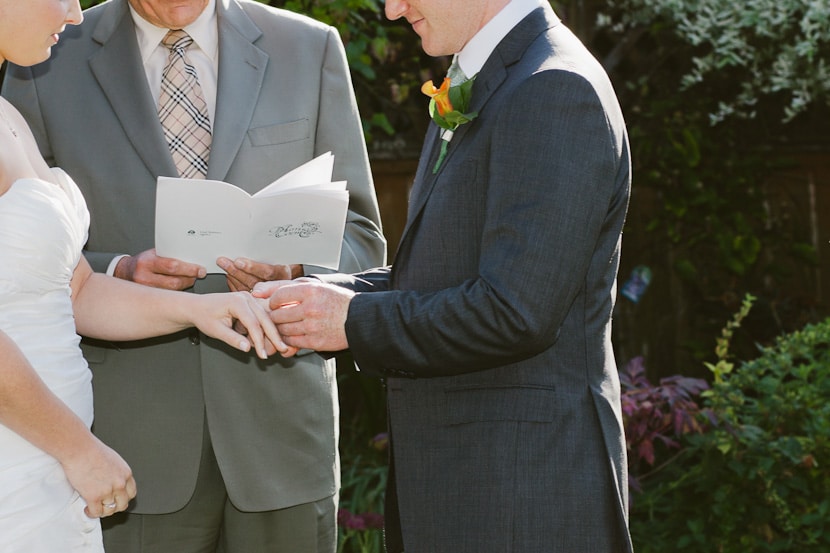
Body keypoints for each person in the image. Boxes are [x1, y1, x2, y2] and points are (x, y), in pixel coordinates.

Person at [2, 0, 385, 551]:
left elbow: (363, 238)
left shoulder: (309, 47)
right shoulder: (45, 52)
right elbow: (35, 260)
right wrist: (123, 268)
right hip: (123, 437)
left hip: (279, 432)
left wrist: (294, 268)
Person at [257, 0, 635, 551]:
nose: (391, 10)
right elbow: (443, 273)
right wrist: (311, 291)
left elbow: (515, 312)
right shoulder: (485, 80)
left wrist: (352, 321)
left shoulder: (553, 88)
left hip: (521, 496)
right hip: (469, 485)